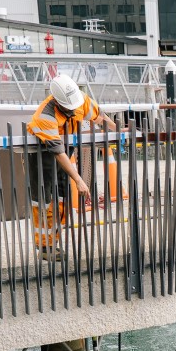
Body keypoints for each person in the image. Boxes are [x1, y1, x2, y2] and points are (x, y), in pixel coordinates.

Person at [26, 75, 117, 257]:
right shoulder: (45, 115)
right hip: (42, 154)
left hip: (65, 151)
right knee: (44, 201)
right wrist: (79, 180)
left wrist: (120, 132)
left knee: (62, 198)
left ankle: (54, 242)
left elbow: (100, 117)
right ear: (58, 102)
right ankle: (44, 247)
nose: (74, 109)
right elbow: (57, 151)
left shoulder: (81, 100)